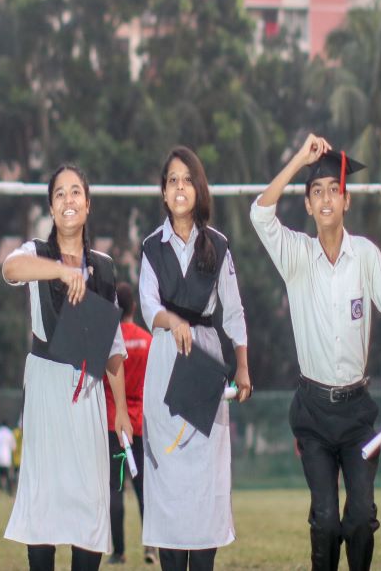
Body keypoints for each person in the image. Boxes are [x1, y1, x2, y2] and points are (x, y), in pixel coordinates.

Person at [250, 135, 381, 571]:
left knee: (359, 519)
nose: (326, 199)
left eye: (333, 191)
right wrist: (299, 160)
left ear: (346, 201)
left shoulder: (365, 255)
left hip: (359, 414)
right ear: (307, 205)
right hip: (313, 415)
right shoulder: (296, 256)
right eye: (317, 191)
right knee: (325, 521)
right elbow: (259, 213)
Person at [2, 164, 134, 571]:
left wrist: (122, 411)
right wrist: (61, 269)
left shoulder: (105, 267)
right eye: (59, 194)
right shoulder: (35, 253)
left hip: (89, 395)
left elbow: (112, 347)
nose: (68, 200)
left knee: (89, 500)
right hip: (45, 388)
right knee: (43, 502)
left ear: (87, 203)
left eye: (75, 192)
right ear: (51, 207)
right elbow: (10, 268)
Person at [139, 146, 252, 571]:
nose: (180, 187)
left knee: (205, 477)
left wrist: (241, 365)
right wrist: (171, 320)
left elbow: (235, 310)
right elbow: (149, 307)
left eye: (187, 179)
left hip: (205, 359)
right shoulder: (151, 247)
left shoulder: (218, 246)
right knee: (166, 477)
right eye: (172, 180)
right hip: (166, 360)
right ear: (164, 192)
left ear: (198, 188)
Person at [105, 283, 157, 566]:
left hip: (114, 424)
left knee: (115, 488)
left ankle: (119, 551)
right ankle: (151, 546)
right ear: (133, 308)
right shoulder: (147, 341)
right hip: (140, 424)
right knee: (143, 489)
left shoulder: (108, 340)